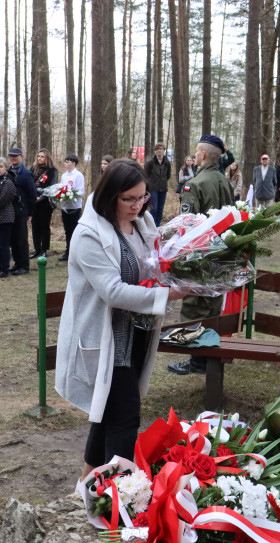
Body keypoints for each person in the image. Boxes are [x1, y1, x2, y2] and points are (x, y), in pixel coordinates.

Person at [55, 159, 184, 479]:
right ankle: (116, 498)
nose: (138, 205)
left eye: (143, 198)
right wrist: (167, 296)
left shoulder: (142, 221)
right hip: (105, 340)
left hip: (137, 332)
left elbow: (155, 261)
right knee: (125, 417)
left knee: (107, 415)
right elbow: (113, 291)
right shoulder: (88, 234)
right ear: (110, 194)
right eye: (129, 199)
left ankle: (84, 487)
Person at [168, 134, 235, 376]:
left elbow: (185, 225)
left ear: (204, 155)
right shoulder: (225, 182)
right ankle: (207, 358)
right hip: (221, 256)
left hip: (199, 256)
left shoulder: (194, 185)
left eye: (197, 152)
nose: (195, 156)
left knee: (194, 309)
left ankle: (197, 361)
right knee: (213, 308)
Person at [6, 146, 37, 275]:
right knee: (13, 239)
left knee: (21, 239)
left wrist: (30, 213)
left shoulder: (25, 173)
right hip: (10, 211)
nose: (13, 158)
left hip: (21, 211)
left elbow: (32, 195)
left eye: (16, 156)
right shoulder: (8, 171)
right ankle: (17, 263)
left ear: (21, 157)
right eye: (11, 156)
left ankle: (24, 266)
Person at [58, 154, 86, 262]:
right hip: (65, 207)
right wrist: (61, 194)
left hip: (74, 207)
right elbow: (61, 187)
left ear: (73, 163)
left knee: (74, 230)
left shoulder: (78, 175)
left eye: (67, 161)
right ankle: (68, 251)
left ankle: (75, 252)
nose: (65, 164)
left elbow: (81, 191)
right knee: (67, 230)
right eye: (65, 162)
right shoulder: (64, 176)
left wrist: (72, 195)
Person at [31, 149, 58, 258]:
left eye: (42, 157)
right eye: (38, 156)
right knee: (35, 226)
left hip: (45, 203)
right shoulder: (33, 169)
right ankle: (36, 249)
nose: (40, 159)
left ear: (47, 158)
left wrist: (40, 198)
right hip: (34, 202)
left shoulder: (52, 170)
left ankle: (44, 249)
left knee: (44, 226)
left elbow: (52, 187)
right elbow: (29, 183)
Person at [144, 143, 172, 225]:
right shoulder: (150, 163)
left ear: (164, 150)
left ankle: (157, 226)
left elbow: (168, 175)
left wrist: (162, 181)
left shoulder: (167, 163)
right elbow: (145, 175)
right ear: (155, 151)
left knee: (160, 209)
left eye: (161, 149)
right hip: (153, 188)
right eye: (158, 149)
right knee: (154, 208)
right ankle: (151, 225)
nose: (159, 151)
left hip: (163, 188)